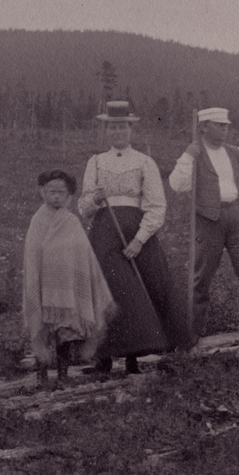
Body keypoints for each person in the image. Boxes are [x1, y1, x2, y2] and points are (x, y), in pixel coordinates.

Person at [78, 101, 189, 374]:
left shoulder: (144, 162)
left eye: (122, 127)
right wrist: (95, 198)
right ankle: (103, 358)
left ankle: (132, 359)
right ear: (106, 131)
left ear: (130, 129)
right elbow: (83, 208)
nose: (118, 132)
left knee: (138, 292)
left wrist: (139, 239)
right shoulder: (95, 162)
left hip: (136, 234)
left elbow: (156, 205)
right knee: (107, 293)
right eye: (112, 127)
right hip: (105, 234)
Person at [168, 107, 239, 345]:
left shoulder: (235, 152)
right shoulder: (195, 152)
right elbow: (177, 184)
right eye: (219, 125)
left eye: (226, 126)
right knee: (200, 281)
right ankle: (190, 340)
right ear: (204, 127)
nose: (224, 130)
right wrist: (188, 156)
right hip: (209, 221)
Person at [22, 169, 115, 389]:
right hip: (45, 290)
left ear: (69, 195)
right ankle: (41, 375)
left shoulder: (72, 222)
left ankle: (63, 375)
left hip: (67, 291)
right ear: (43, 193)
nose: (56, 196)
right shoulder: (38, 220)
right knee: (43, 334)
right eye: (51, 192)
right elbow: (32, 254)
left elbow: (83, 255)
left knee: (65, 336)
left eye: (60, 192)